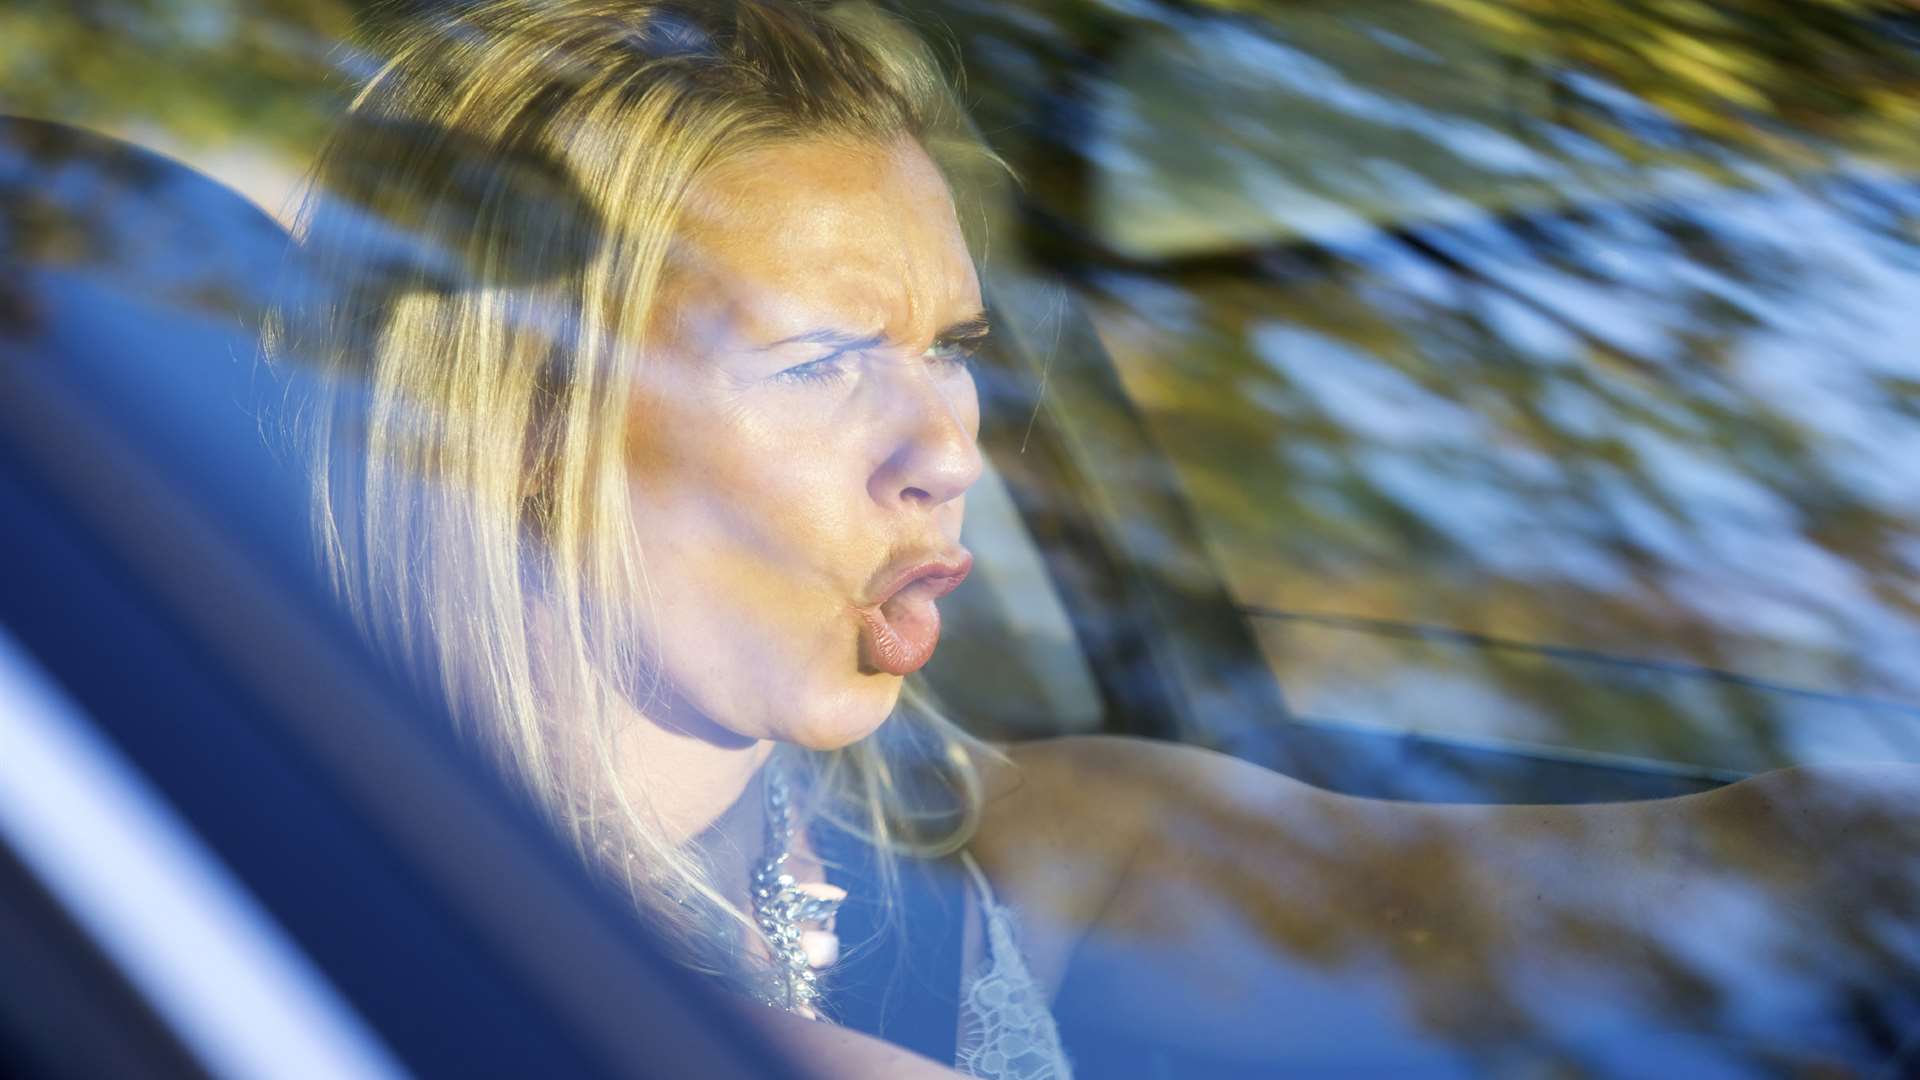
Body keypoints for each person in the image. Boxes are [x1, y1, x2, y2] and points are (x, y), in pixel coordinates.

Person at [268, 1, 1920, 1076]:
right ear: (522, 429)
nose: (946, 443)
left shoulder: (993, 845)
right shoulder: (254, 869)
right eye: (824, 361)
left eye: (952, 351)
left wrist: (1838, 848)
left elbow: (1604, 890)